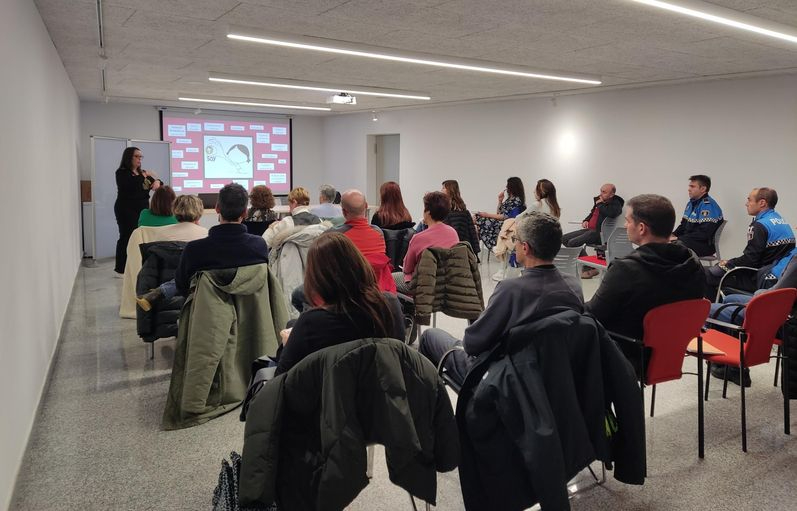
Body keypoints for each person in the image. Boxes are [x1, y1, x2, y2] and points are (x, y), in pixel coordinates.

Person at [419, 212, 583, 386]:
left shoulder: (511, 290)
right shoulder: (574, 287)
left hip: (501, 380)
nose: (514, 243)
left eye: (515, 239)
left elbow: (472, 344)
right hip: (550, 376)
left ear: (525, 248)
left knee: (430, 336)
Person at [585, 194, 705, 366]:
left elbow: (593, 314)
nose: (625, 225)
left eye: (627, 221)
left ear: (641, 228)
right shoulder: (693, 265)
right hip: (672, 354)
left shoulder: (625, 269)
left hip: (626, 356)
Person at [275, 233, 405, 376]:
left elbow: (281, 379)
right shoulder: (389, 305)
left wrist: (286, 345)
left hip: (326, 389)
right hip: (383, 386)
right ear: (359, 264)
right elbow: (399, 357)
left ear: (317, 277)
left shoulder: (311, 323)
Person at [136, 183, 269, 309]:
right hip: (249, 312)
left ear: (217, 208)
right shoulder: (260, 246)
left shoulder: (195, 249)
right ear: (245, 212)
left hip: (206, 312)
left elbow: (182, 286)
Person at [290, 189, 388, 312]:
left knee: (297, 295)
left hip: (341, 291)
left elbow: (322, 270)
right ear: (366, 206)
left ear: (344, 211)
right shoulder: (379, 233)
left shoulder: (332, 236)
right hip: (374, 288)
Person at [705, 187, 795, 296]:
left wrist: (728, 263)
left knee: (708, 274)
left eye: (749, 200)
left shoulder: (760, 225)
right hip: (781, 277)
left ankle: (716, 306)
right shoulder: (782, 221)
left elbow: (750, 260)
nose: (746, 204)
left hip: (762, 278)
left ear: (762, 203)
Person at [393, 191, 460, 294]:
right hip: (447, 283)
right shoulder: (453, 233)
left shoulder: (418, 238)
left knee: (387, 279)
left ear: (428, 213)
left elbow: (407, 269)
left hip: (423, 285)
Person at [114, 146, 161, 273]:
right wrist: (145, 175)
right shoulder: (121, 173)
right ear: (129, 157)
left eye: (141, 157)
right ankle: (120, 269)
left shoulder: (142, 173)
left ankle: (139, 266)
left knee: (142, 237)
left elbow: (157, 182)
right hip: (126, 209)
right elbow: (131, 184)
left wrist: (157, 181)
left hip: (143, 209)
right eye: (136, 156)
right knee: (126, 237)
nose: (139, 159)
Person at [670, 174, 724, 257]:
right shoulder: (691, 204)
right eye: (689, 186)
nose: (689, 189)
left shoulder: (708, 205)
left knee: (672, 247)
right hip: (688, 240)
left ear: (703, 189)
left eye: (692, 186)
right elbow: (683, 226)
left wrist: (679, 238)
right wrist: (673, 235)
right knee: (661, 241)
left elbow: (704, 233)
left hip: (703, 245)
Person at [474, 176, 526, 250]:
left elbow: (505, 217)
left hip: (506, 227)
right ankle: (474, 246)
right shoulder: (509, 199)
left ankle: (473, 246)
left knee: (478, 221)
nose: (506, 187)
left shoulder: (517, 201)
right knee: (477, 225)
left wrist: (486, 215)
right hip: (501, 224)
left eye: (508, 185)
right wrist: (500, 201)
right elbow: (499, 213)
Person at [441, 179, 480, 257]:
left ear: (450, 190)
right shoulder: (462, 208)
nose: (441, 190)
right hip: (461, 245)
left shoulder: (447, 209)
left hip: (451, 245)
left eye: (443, 188)